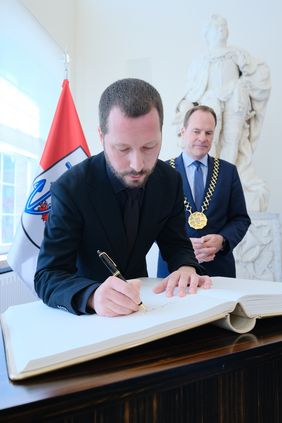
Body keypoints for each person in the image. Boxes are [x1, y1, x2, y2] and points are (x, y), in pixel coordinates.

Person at [34, 78, 212, 317]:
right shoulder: (71, 188)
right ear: (101, 136)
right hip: (88, 320)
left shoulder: (169, 180)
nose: (137, 165)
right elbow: (48, 276)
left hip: (145, 309)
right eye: (122, 149)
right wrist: (92, 296)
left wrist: (185, 266)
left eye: (149, 147)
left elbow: (176, 243)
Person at [174, 15, 271, 211]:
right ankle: (212, 185)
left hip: (236, 101)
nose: (221, 29)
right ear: (207, 33)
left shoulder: (238, 54)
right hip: (211, 103)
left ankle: (227, 183)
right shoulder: (201, 61)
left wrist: (244, 82)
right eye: (216, 26)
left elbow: (258, 74)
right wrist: (186, 105)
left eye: (223, 26)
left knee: (232, 140)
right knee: (211, 141)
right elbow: (193, 90)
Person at [157, 105, 251, 278]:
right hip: (173, 269)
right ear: (183, 131)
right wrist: (179, 245)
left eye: (208, 133)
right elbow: (152, 221)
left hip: (219, 270)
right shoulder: (162, 171)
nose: (202, 138)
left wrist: (222, 240)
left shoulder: (228, 172)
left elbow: (240, 219)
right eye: (196, 131)